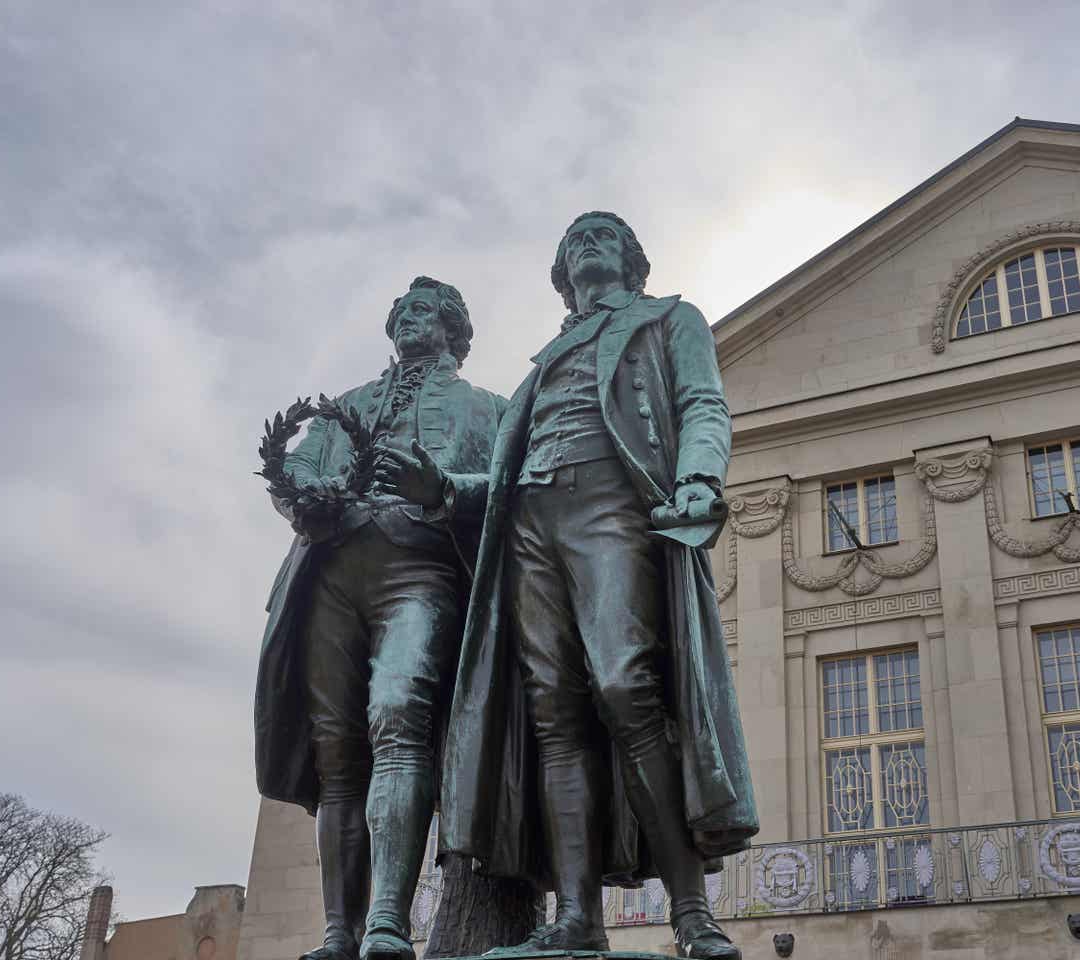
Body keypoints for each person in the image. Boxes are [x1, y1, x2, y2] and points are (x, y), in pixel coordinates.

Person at [375, 214, 757, 959]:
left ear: (632, 261)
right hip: (529, 522)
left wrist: (701, 476)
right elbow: (507, 470)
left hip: (611, 504)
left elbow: (704, 404)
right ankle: (577, 917)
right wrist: (443, 487)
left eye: (604, 235)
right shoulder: (541, 363)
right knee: (555, 714)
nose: (588, 243)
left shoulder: (670, 319)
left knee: (625, 685)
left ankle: (691, 913)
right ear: (560, 271)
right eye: (575, 239)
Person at [253, 277, 503, 960]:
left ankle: (388, 921)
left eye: (425, 312)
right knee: (337, 754)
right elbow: (299, 468)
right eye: (402, 314)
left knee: (398, 717)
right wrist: (303, 496)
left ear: (454, 329)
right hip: (330, 576)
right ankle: (341, 931)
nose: (410, 322)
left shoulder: (487, 407)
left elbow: (516, 482)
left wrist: (446, 486)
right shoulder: (347, 407)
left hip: (421, 569)